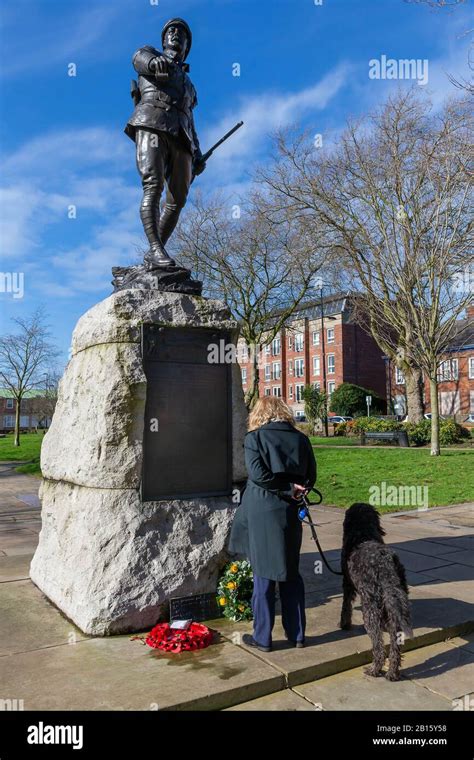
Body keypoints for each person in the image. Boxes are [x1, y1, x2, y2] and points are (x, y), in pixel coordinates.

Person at [228, 396, 317, 652]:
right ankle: (297, 634)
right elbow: (311, 475)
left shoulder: (254, 439)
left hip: (262, 511)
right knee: (290, 571)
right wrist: (296, 490)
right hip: (290, 511)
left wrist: (287, 488)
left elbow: (258, 476)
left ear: (260, 414)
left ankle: (263, 637)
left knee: (264, 575)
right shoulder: (301, 439)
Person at [124, 17, 206, 269]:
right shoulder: (149, 55)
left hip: (182, 137)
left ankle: (154, 252)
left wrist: (198, 151)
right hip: (151, 122)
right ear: (163, 40)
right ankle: (157, 249)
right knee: (153, 185)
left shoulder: (190, 86)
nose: (175, 34)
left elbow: (190, 119)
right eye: (171, 31)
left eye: (181, 33)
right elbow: (138, 57)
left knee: (178, 198)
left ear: (187, 45)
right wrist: (152, 61)